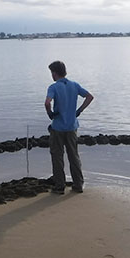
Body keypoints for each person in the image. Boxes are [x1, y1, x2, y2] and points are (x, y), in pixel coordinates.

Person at [44, 60, 93, 194]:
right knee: (74, 156)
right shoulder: (74, 85)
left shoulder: (53, 87)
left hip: (58, 127)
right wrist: (79, 110)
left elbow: (47, 103)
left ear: (54, 73)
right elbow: (89, 97)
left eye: (51, 73)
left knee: (57, 156)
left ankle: (60, 186)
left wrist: (50, 114)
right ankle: (78, 185)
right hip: (72, 126)